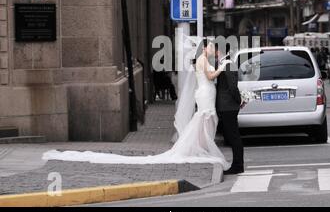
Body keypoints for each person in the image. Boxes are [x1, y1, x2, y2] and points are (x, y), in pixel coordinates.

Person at [42, 40, 232, 171]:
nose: (212, 49)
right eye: (210, 46)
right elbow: (210, 76)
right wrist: (222, 67)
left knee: (202, 121)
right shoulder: (202, 60)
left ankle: (200, 147)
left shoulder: (204, 60)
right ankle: (200, 147)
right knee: (203, 120)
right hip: (205, 94)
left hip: (205, 93)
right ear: (203, 48)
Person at [215, 44, 244, 175]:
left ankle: (238, 165)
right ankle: (237, 164)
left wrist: (239, 100)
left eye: (215, 49)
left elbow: (233, 87)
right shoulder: (224, 64)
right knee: (231, 136)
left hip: (229, 107)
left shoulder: (229, 65)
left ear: (219, 51)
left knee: (234, 137)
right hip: (226, 106)